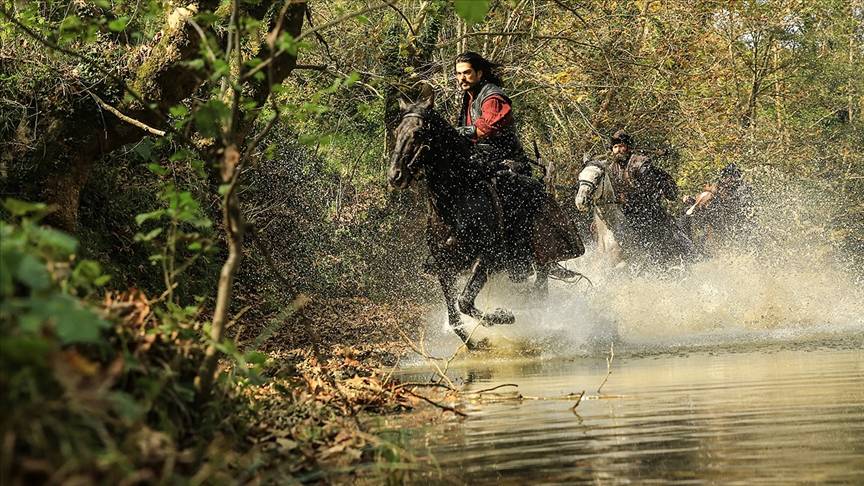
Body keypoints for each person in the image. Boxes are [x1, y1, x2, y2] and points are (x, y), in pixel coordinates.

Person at [605, 129, 694, 266]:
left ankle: (688, 254)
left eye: (621, 146)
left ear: (628, 147)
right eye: (615, 147)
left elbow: (650, 190)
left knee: (669, 237)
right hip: (626, 213)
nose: (618, 150)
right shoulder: (611, 169)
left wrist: (629, 198)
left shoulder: (640, 163)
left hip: (648, 211)